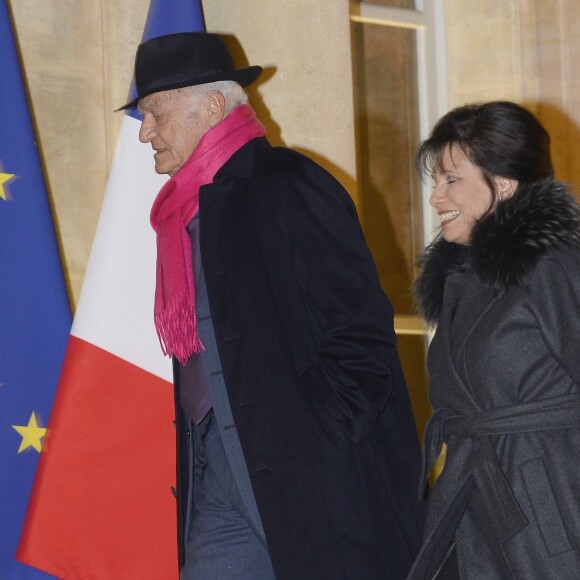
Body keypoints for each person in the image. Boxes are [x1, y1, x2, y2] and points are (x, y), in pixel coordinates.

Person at [118, 32, 424, 579]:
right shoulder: (182, 214)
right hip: (220, 476)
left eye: (155, 114)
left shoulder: (289, 183)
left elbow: (361, 336)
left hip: (309, 478)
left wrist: (319, 438)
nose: (146, 134)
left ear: (211, 106)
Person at [409, 101, 580, 579]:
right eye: (435, 181)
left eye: (451, 180)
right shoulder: (464, 279)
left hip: (552, 512)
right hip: (475, 500)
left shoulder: (552, 265)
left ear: (503, 184)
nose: (435, 197)